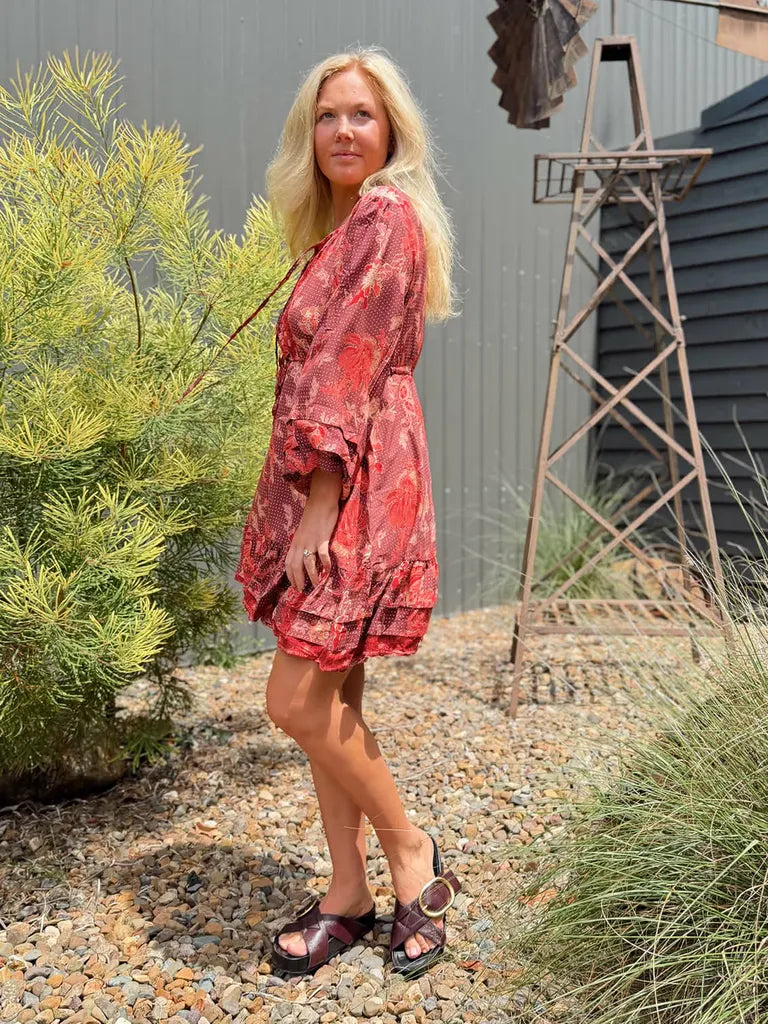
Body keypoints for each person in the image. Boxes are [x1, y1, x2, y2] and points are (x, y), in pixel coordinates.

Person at [234, 45, 459, 981]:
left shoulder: (383, 216)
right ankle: (346, 892)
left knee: (292, 700)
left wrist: (319, 504)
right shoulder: (343, 227)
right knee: (333, 697)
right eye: (327, 115)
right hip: (353, 467)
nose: (342, 130)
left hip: (353, 482)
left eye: (361, 114)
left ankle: (410, 852)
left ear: (392, 129)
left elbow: (346, 364)